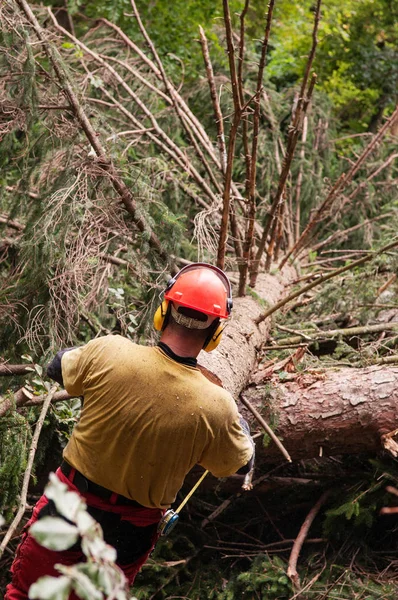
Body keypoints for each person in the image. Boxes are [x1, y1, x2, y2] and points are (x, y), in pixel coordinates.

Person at [5, 262, 254, 599]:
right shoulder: (217, 406)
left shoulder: (111, 351)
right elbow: (239, 464)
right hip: (129, 530)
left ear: (163, 309)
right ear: (216, 333)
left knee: (26, 593)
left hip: (68, 505)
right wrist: (240, 425)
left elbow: (57, 366)